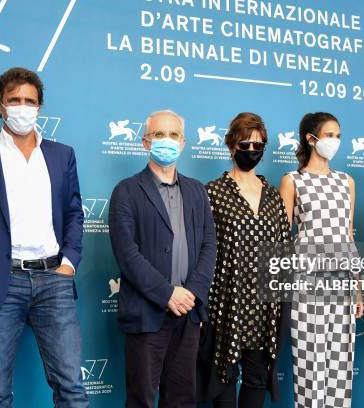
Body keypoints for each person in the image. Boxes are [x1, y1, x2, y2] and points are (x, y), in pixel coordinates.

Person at [0, 67, 88, 407]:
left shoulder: (61, 154)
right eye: (14, 100)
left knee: (72, 387)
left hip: (55, 280)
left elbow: (74, 213)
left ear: (39, 107)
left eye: (30, 101)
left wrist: (68, 263)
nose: (22, 107)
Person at [108, 110, 216, 408]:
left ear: (183, 143)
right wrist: (166, 293)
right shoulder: (126, 191)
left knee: (182, 399)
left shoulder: (196, 190)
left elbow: (209, 245)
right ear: (145, 143)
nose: (166, 141)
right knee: (142, 399)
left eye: (173, 135)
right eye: (158, 135)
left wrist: (192, 293)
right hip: (147, 313)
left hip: (188, 314)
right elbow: (127, 254)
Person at [198, 112, 291, 408]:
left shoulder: (274, 196)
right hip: (224, 300)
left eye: (258, 144)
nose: (252, 151)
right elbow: (202, 249)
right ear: (231, 145)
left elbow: (284, 250)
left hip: (265, 304)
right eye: (245, 144)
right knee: (222, 376)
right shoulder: (212, 192)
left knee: (256, 377)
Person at [279, 112, 364, 408]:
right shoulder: (292, 180)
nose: (335, 141)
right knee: (309, 368)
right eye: (330, 135)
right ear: (311, 138)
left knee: (341, 367)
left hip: (341, 285)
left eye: (338, 136)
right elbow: (282, 242)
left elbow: (348, 237)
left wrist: (357, 289)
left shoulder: (346, 182)